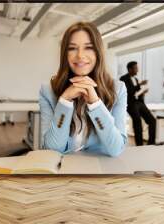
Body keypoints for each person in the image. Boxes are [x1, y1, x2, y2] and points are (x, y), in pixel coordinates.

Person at [39, 22, 128, 157]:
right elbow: (52, 149)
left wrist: (95, 104)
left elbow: (116, 148)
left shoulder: (118, 89)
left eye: (88, 47)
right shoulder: (48, 90)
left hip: (99, 170)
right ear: (65, 54)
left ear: (98, 52)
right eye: (72, 48)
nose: (80, 55)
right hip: (64, 170)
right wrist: (64, 102)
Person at [120, 62, 156, 146]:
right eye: (135, 68)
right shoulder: (123, 78)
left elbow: (136, 92)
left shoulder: (136, 79)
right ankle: (139, 145)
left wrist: (143, 92)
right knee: (138, 122)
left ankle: (151, 144)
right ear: (130, 69)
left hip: (139, 102)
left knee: (152, 121)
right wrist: (139, 84)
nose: (137, 70)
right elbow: (128, 91)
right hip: (130, 104)